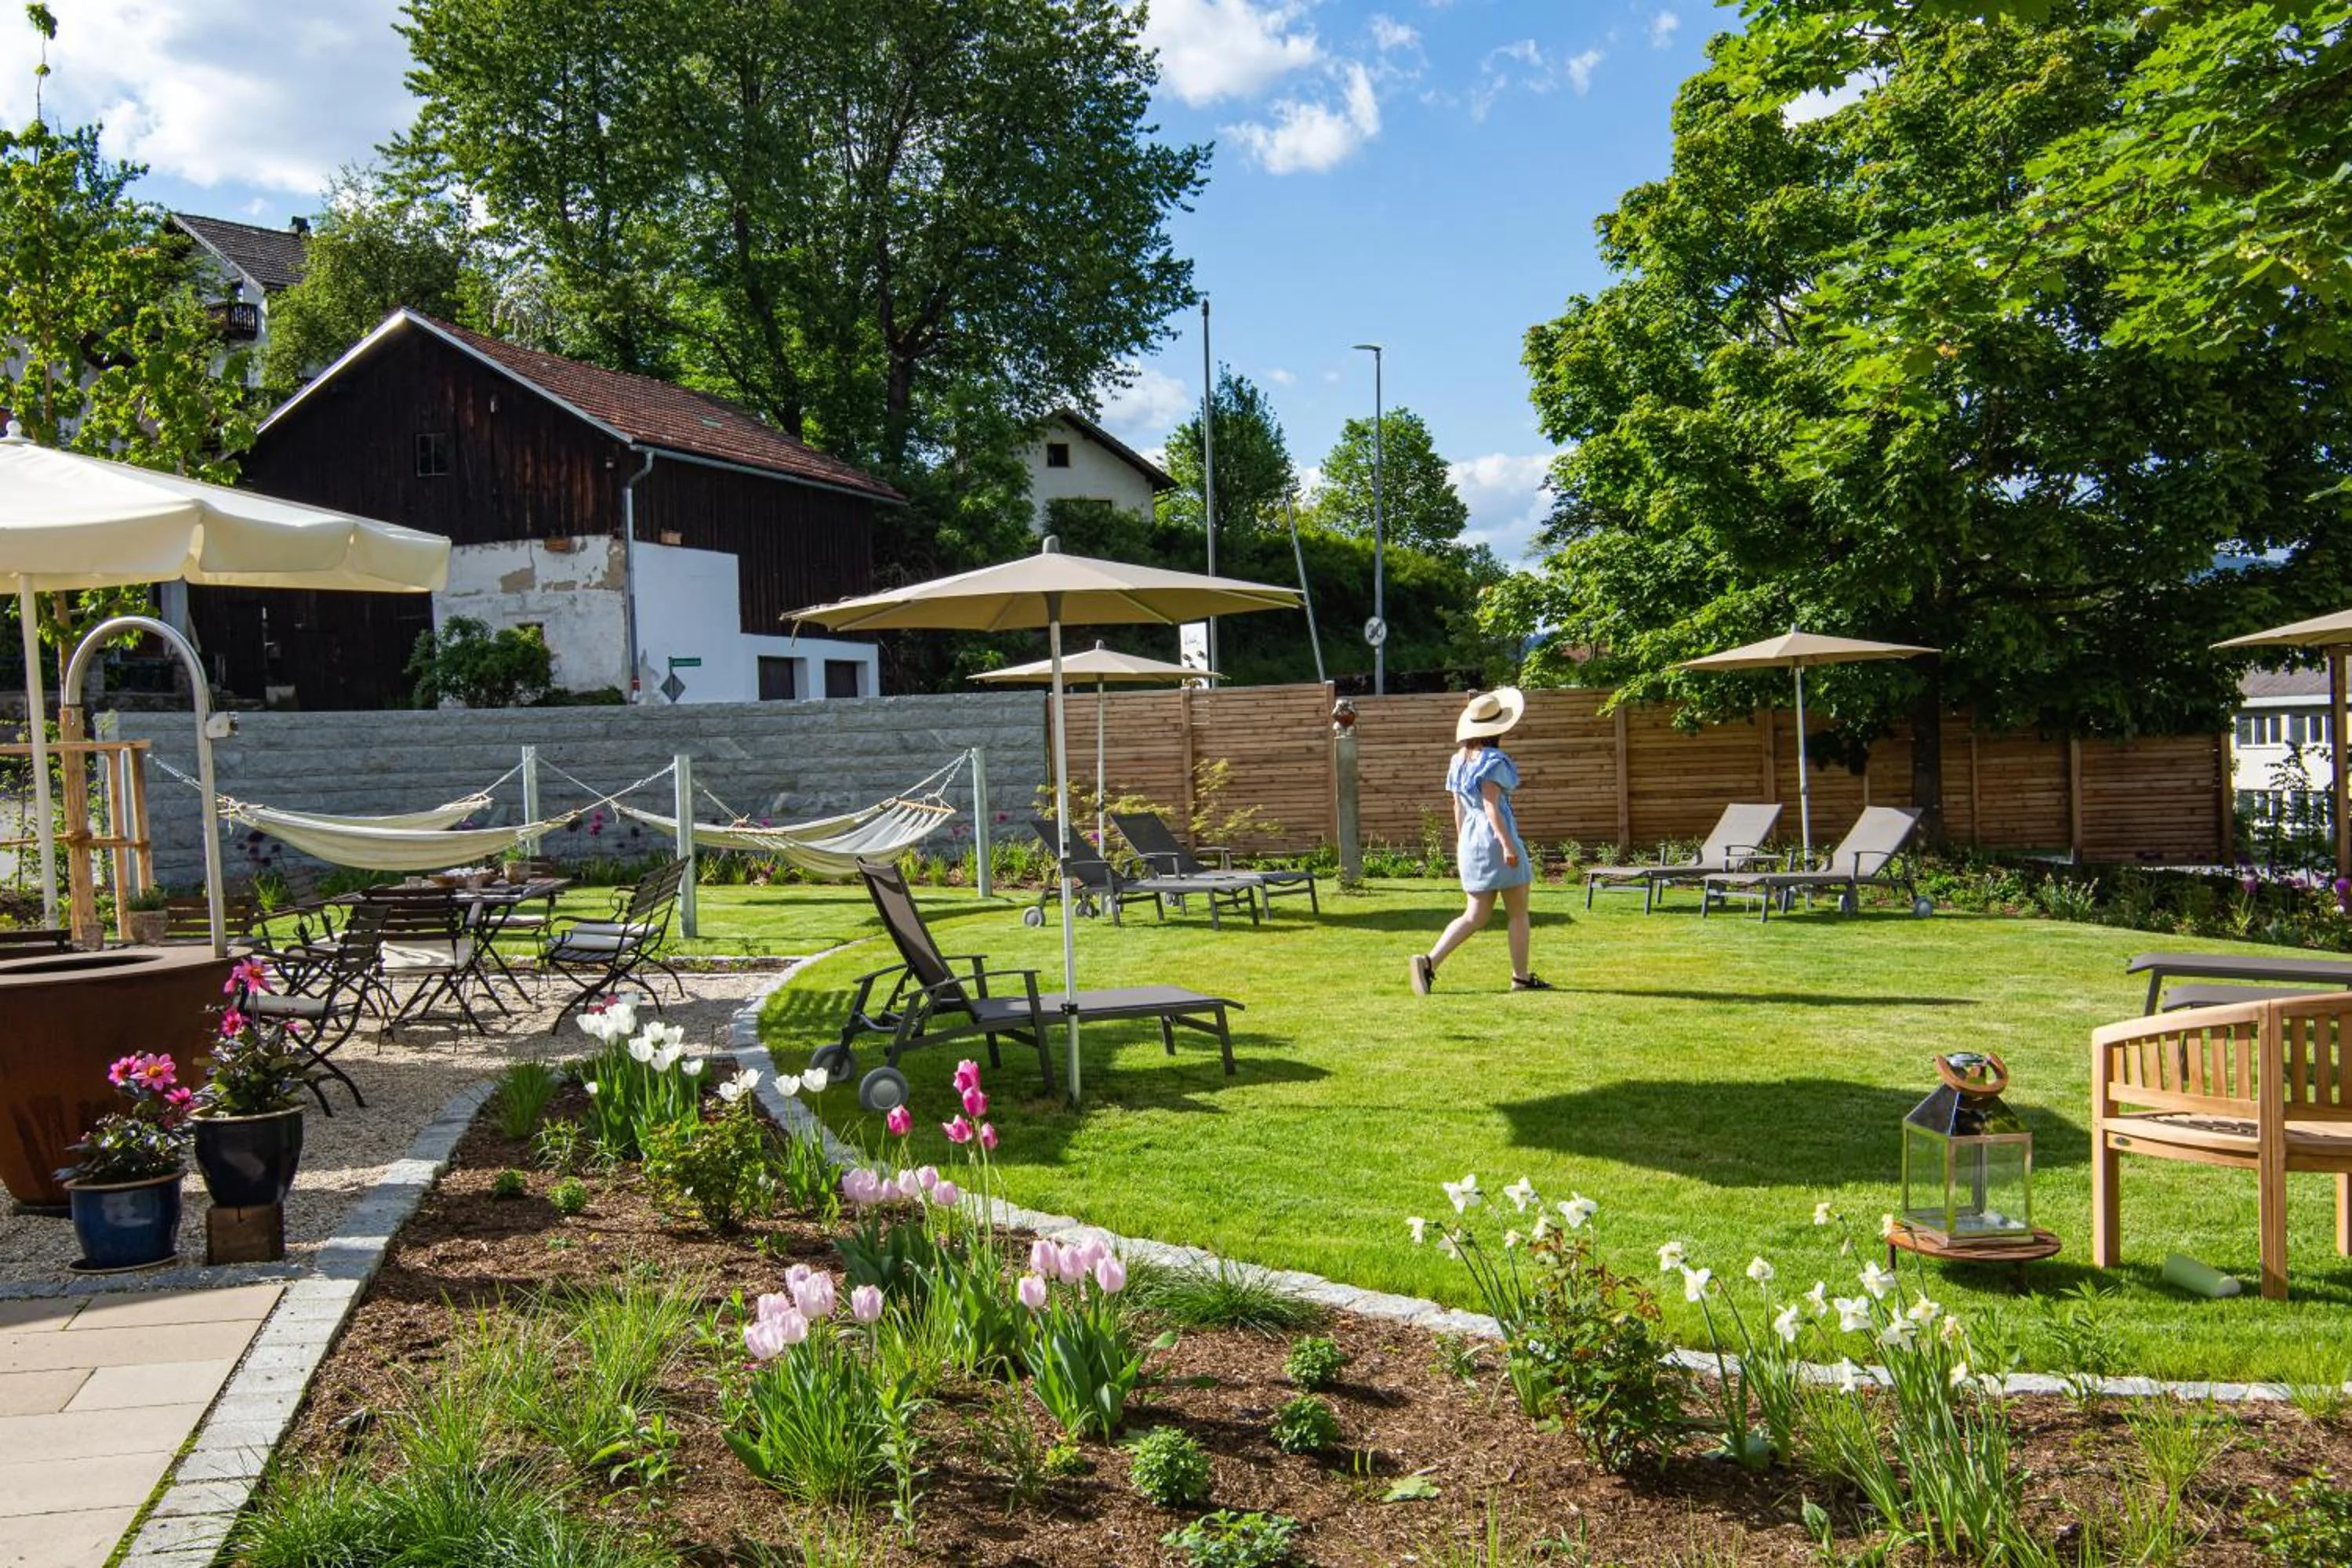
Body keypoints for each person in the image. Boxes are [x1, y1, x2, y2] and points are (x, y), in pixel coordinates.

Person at [1409, 687, 1550, 994]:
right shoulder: (1495, 760)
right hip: (1495, 838)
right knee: (1518, 913)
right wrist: (1507, 845)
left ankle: (1429, 961)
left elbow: (1458, 807)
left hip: (1471, 841)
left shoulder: (1458, 760)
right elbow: (1491, 806)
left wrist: (1463, 844)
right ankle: (1521, 977)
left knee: (1475, 915)